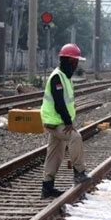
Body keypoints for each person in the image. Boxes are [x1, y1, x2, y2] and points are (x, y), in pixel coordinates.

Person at [40, 43, 90, 198]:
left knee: (55, 154)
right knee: (75, 137)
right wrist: (68, 122)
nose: (75, 65)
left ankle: (47, 188)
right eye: (74, 62)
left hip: (57, 121)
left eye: (76, 62)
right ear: (66, 60)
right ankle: (79, 172)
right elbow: (60, 103)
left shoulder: (64, 77)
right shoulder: (57, 77)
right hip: (56, 121)